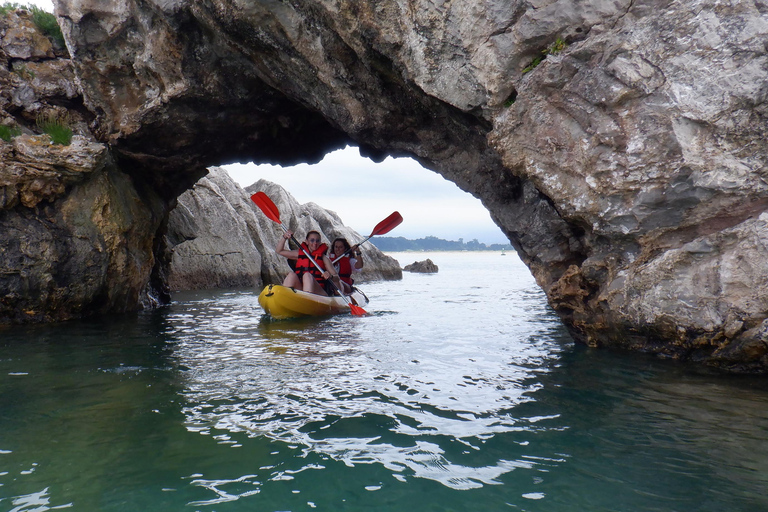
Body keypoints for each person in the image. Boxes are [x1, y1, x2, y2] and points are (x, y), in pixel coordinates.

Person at [275, 230, 339, 295]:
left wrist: (331, 276)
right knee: (291, 275)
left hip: (319, 292)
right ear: (307, 241)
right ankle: (283, 295)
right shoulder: (299, 254)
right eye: (312, 240)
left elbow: (337, 278)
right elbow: (279, 251)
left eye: (317, 241)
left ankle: (307, 297)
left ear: (320, 242)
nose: (315, 243)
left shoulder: (324, 258)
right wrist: (284, 237)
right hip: (302, 289)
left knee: (307, 275)